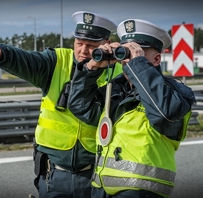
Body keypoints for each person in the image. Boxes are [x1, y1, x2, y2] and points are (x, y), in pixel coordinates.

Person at [0, 11, 123, 198]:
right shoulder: (56, 61)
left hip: (98, 175)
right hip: (54, 176)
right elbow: (26, 60)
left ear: (106, 43)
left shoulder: (120, 71)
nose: (83, 50)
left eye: (91, 46)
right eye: (79, 43)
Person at [67, 19, 196, 198]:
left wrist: (138, 65)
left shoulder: (175, 93)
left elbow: (165, 114)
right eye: (124, 51)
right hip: (101, 189)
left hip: (142, 191)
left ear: (157, 58)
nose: (127, 59)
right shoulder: (117, 90)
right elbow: (80, 106)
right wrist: (91, 69)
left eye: (136, 53)